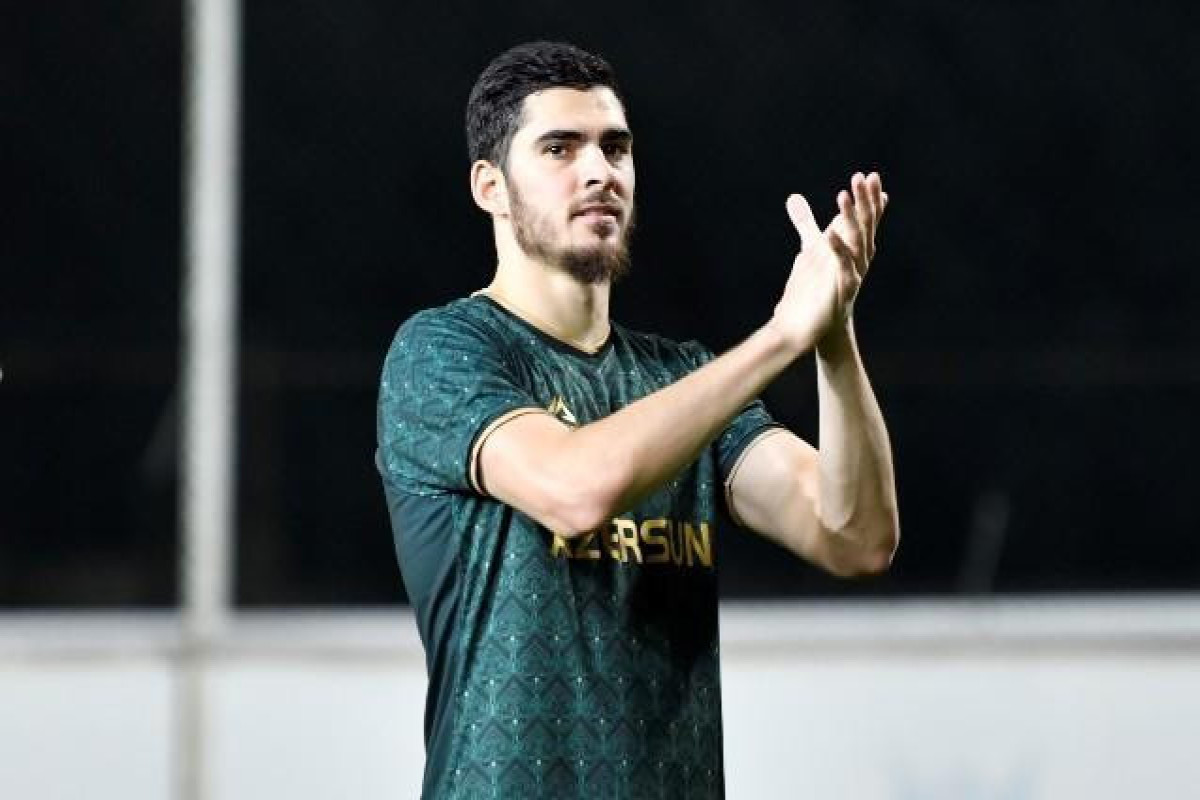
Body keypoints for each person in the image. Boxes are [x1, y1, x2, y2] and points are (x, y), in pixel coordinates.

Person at [376, 40, 898, 799]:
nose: (599, 172)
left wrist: (832, 339)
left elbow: (854, 536)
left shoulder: (679, 379)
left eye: (614, 148)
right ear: (491, 187)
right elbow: (575, 488)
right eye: (560, 148)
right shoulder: (444, 351)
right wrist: (780, 337)